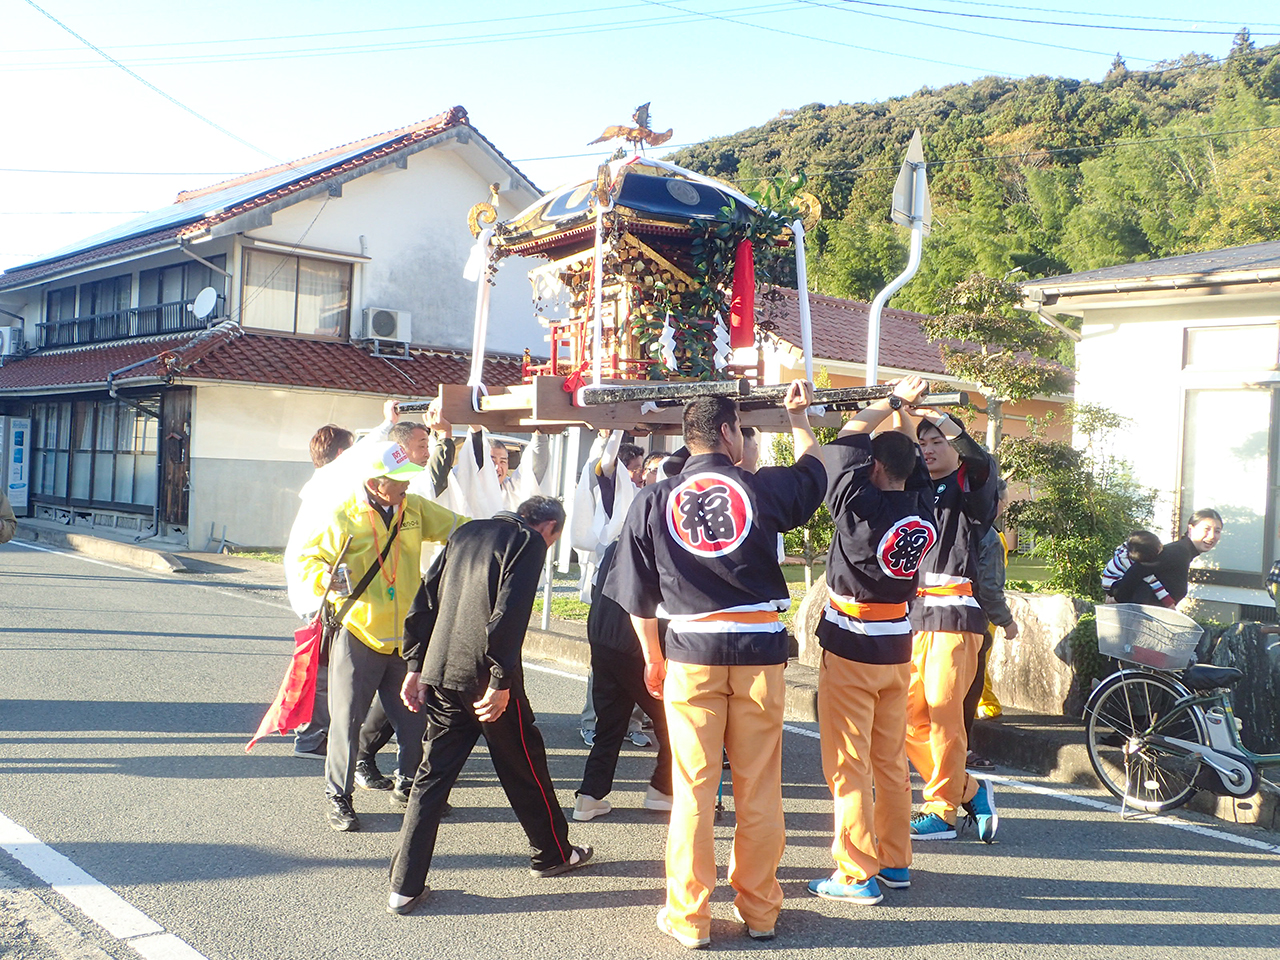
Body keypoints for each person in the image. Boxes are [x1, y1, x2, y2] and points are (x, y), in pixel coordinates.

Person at [607, 381, 826, 949]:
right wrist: (800, 416)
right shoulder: (758, 489)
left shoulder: (654, 498)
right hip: (759, 654)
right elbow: (812, 474)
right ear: (730, 433)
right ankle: (760, 911)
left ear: (688, 436)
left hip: (690, 655)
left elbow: (637, 596)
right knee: (759, 786)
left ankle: (690, 917)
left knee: (694, 789)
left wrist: (653, 659)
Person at [387, 496, 592, 915]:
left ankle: (403, 886)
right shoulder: (527, 542)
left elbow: (426, 599)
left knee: (431, 777)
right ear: (549, 528)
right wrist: (501, 680)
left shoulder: (465, 532)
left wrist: (414, 665)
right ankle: (552, 854)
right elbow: (509, 614)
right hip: (485, 677)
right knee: (524, 765)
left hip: (441, 669)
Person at [291, 441, 467, 832]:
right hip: (359, 632)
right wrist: (330, 579)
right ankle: (338, 795)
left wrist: (500, 531)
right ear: (374, 483)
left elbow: (459, 527)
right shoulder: (343, 515)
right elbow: (309, 560)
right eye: (399, 480)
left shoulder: (415, 509)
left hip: (406, 635)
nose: (408, 485)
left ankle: (408, 786)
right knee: (347, 720)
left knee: (412, 719)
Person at [807, 376, 936, 906]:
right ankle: (896, 861)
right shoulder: (924, 504)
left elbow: (840, 445)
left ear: (875, 469)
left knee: (847, 763)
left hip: (852, 643)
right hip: (898, 643)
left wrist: (888, 404)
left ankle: (856, 872)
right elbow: (905, 459)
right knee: (889, 762)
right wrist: (905, 413)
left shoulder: (859, 506)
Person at [906, 408, 1000, 843]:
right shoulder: (913, 487)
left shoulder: (969, 486)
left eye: (936, 442)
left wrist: (940, 418)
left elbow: (979, 461)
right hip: (911, 616)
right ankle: (968, 789)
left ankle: (942, 810)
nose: (927, 449)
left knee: (944, 714)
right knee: (905, 718)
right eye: (922, 443)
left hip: (954, 613)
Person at [573, 538, 673, 821]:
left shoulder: (615, 544)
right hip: (639, 645)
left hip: (603, 639)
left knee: (609, 725)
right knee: (674, 722)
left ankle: (589, 796)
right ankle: (663, 790)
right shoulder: (662, 547)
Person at [573, 432, 649, 747]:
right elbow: (606, 465)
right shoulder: (613, 491)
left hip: (637, 587)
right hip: (607, 588)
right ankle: (593, 723)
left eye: (643, 468)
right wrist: (614, 432)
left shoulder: (645, 494)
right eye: (635, 468)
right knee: (604, 660)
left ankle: (632, 724)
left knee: (639, 658)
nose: (640, 474)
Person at [965, 480, 1019, 771]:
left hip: (936, 619)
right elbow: (989, 588)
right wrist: (1006, 621)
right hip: (974, 619)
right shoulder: (990, 536)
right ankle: (964, 749)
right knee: (972, 678)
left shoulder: (956, 524)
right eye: (1003, 500)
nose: (1004, 505)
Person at [1149, 508, 1223, 605]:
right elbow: (1137, 572)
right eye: (1206, 529)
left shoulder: (1184, 553)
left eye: (1217, 531)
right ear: (1190, 529)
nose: (1212, 536)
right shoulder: (1177, 552)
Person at [1106, 531, 1175, 607]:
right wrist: (1168, 602)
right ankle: (1114, 601)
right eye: (1159, 548)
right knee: (1143, 587)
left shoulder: (1130, 548)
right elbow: (1152, 581)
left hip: (1115, 579)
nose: (1162, 546)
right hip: (1112, 585)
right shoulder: (1130, 563)